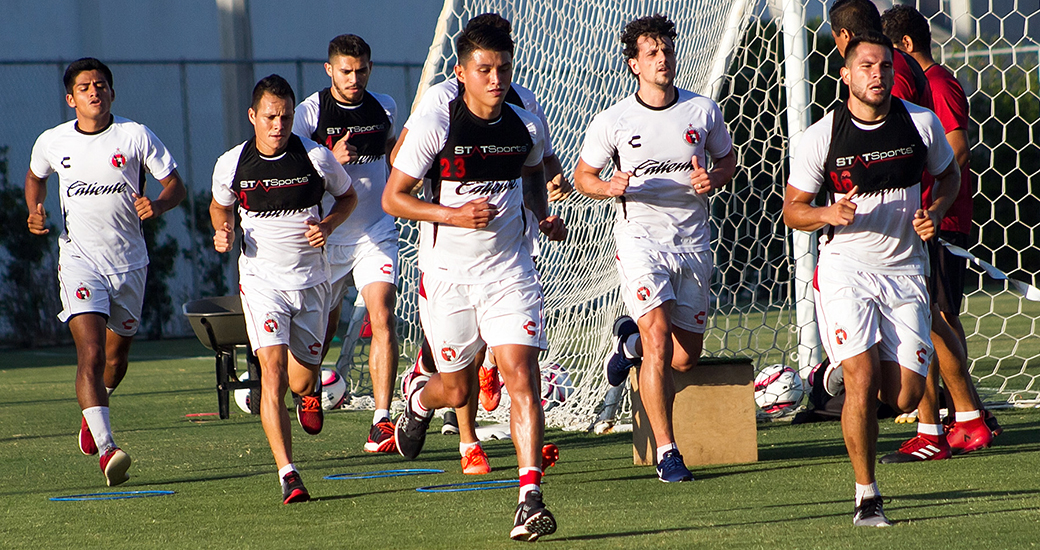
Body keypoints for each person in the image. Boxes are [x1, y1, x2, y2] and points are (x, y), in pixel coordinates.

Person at [383, 22, 565, 542]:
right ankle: (418, 399)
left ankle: (529, 498)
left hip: (510, 269)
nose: (495, 79)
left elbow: (534, 173)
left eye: (503, 68)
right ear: (461, 73)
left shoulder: (525, 122)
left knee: (520, 375)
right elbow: (393, 198)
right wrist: (453, 215)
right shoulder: (438, 120)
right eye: (484, 70)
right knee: (458, 387)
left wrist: (543, 215)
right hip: (448, 275)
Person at [782, 33, 961, 526]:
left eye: (884, 64)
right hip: (846, 271)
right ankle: (867, 496)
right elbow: (792, 211)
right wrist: (826, 213)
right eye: (865, 65)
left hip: (905, 271)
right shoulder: (822, 136)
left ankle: (829, 375)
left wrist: (937, 210)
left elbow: (950, 177)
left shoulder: (920, 123)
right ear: (846, 74)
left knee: (902, 396)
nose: (876, 73)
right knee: (862, 378)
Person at [574, 14, 736, 483]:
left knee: (684, 359)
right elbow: (585, 175)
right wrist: (608, 187)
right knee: (660, 340)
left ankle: (628, 343)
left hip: (692, 242)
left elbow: (727, 160)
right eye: (652, 53)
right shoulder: (615, 121)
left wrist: (715, 177)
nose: (663, 58)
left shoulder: (703, 111)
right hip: (640, 240)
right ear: (634, 65)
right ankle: (668, 452)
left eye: (667, 49)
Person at [25, 58, 186, 487]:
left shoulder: (135, 135)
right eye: (84, 87)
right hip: (80, 261)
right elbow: (35, 177)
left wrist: (161, 203)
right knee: (91, 354)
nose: (93, 91)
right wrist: (34, 210)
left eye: (100, 85)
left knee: (115, 361)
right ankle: (108, 447)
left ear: (112, 92)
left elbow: (176, 185)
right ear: (70, 98)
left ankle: (93, 413)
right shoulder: (52, 141)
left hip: (130, 264)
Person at [210, 75, 356, 504]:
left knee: (301, 379)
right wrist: (222, 229)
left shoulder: (316, 157)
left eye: (286, 116)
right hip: (261, 282)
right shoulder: (231, 163)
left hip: (311, 282)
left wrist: (327, 225)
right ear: (253, 116)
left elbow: (347, 198)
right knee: (270, 373)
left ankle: (308, 394)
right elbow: (220, 206)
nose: (278, 125)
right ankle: (288, 474)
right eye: (270, 116)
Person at [878, 4, 998, 463]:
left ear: (904, 47)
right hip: (931, 216)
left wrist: (928, 197)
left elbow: (956, 149)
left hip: (938, 219)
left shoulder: (936, 83)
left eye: (887, 57)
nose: (883, 70)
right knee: (931, 317)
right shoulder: (925, 85)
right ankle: (966, 416)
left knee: (933, 319)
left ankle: (963, 418)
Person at [292, 34, 401, 454]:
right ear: (329, 70)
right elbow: (291, 164)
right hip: (328, 233)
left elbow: (397, 153)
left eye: (361, 70)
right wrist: (327, 158)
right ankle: (310, 387)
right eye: (346, 71)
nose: (354, 78)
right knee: (325, 327)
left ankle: (382, 420)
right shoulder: (310, 112)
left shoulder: (386, 106)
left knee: (382, 315)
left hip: (376, 231)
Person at [829, 0, 933, 110]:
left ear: (845, 35)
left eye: (835, 37)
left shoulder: (890, 66)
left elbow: (894, 120)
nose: (878, 73)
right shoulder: (900, 59)